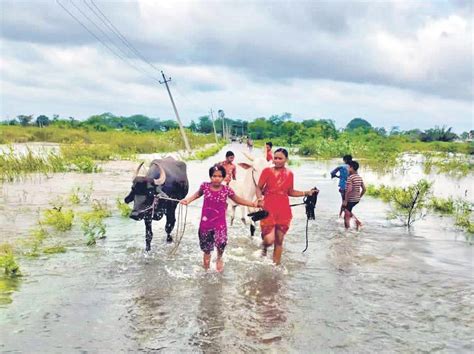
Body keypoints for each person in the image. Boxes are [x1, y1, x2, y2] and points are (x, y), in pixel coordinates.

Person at [180, 165, 259, 272]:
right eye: (214, 176)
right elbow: (197, 195)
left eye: (219, 176)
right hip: (205, 224)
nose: (216, 178)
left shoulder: (226, 190)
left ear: (223, 178)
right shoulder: (205, 186)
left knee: (221, 244)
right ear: (210, 177)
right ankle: (206, 271)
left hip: (219, 224)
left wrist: (252, 204)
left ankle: (219, 257)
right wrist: (187, 200)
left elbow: (238, 200)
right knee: (207, 250)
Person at [256, 148, 318, 265]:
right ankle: (264, 247)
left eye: (280, 158)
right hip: (268, 208)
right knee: (269, 239)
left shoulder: (289, 174)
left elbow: (290, 191)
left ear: (286, 160)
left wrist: (306, 192)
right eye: (275, 158)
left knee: (279, 240)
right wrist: (259, 199)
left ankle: (276, 267)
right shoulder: (267, 171)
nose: (277, 161)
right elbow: (258, 187)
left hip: (283, 210)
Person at [343, 160, 366, 230]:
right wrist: (359, 197)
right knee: (348, 211)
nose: (347, 169)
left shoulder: (350, 178)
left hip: (350, 199)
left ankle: (347, 231)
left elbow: (349, 190)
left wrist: (345, 200)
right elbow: (364, 189)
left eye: (348, 167)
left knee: (346, 216)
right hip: (356, 199)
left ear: (352, 168)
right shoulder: (359, 177)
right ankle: (357, 222)